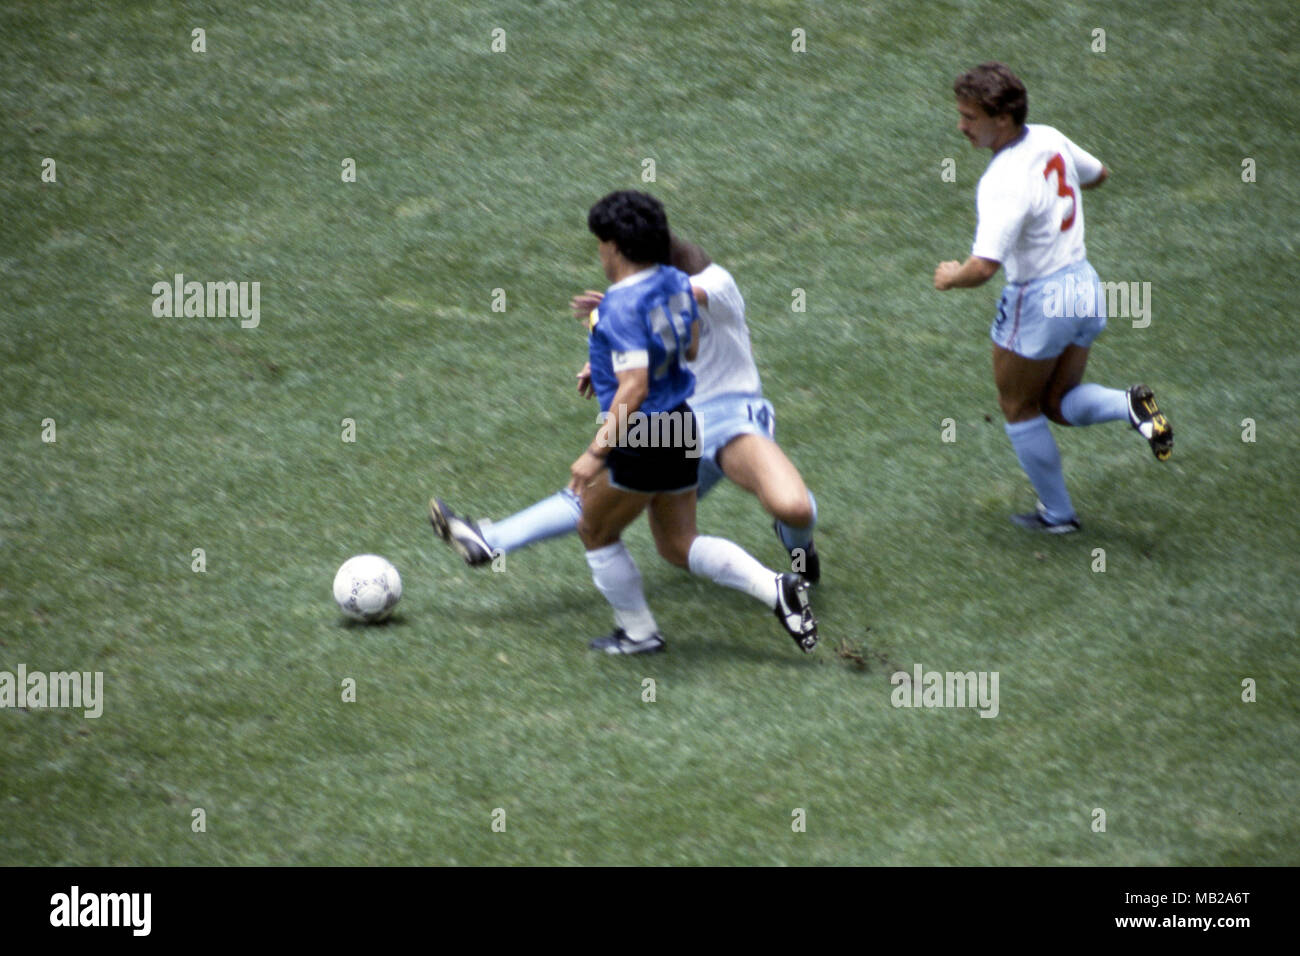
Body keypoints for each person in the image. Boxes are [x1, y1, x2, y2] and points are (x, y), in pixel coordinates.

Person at [435, 190, 817, 655]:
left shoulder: (619, 305)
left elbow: (634, 388)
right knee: (678, 543)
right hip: (682, 424)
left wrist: (595, 452)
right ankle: (776, 587)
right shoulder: (675, 288)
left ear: (614, 246)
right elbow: (689, 350)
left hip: (645, 431)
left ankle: (639, 633)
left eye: (600, 242)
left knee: (595, 529)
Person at [933, 62, 1173, 532]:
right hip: (1084, 287)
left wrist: (949, 277)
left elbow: (983, 268)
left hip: (1040, 301)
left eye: (969, 118)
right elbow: (1099, 174)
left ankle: (1058, 515)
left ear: (1002, 119)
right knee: (1057, 403)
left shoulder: (1001, 182)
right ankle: (1129, 406)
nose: (960, 126)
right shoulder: (1048, 136)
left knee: (1017, 407)